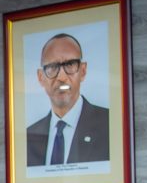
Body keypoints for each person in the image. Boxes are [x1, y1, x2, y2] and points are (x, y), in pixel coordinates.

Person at [25, 32, 110, 167]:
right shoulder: (28, 137)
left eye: (70, 64)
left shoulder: (110, 124)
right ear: (41, 77)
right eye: (52, 67)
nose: (62, 77)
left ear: (83, 71)